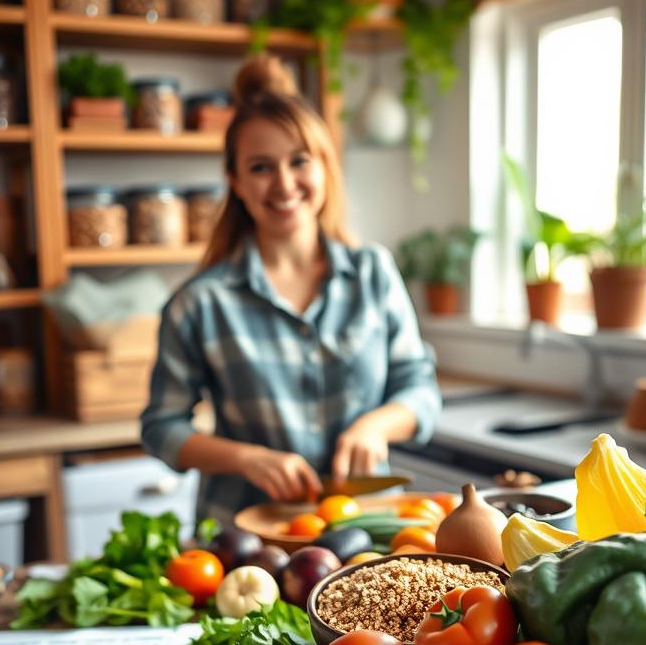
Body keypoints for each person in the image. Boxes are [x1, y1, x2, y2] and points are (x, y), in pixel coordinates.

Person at [141, 55, 441, 525]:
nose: (284, 183)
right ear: (235, 182)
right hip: (247, 543)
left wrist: (375, 426)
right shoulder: (198, 304)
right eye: (261, 167)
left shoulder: (373, 273)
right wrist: (247, 459)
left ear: (324, 167)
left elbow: (420, 389)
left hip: (364, 533)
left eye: (299, 161)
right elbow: (161, 429)